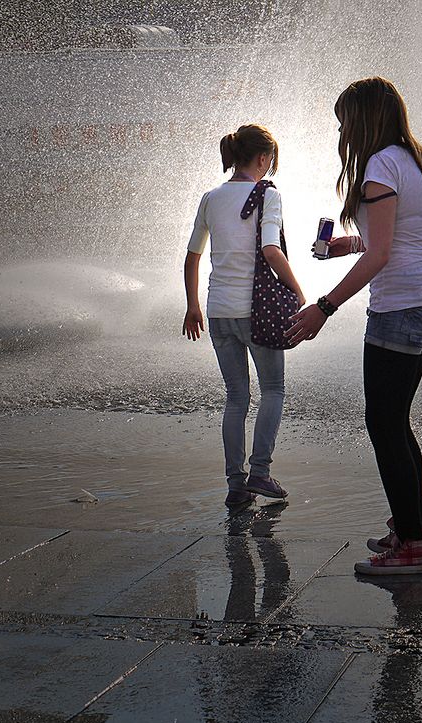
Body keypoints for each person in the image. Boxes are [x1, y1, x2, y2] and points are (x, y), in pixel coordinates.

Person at [286, 77, 422, 574]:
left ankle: (412, 548)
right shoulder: (413, 160)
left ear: (362, 121)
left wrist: (325, 306)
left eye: (344, 121)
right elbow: (398, 237)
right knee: (395, 422)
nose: (341, 131)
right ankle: (411, 529)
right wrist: (347, 245)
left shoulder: (380, 163)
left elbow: (383, 254)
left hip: (401, 309)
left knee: (383, 425)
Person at [183, 124, 306, 509]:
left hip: (219, 312)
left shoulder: (210, 197)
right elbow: (271, 250)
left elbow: (192, 257)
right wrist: (299, 292)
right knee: (273, 390)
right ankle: (261, 472)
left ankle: (236, 484)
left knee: (236, 397)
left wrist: (193, 305)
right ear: (263, 158)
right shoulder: (268, 194)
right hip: (258, 313)